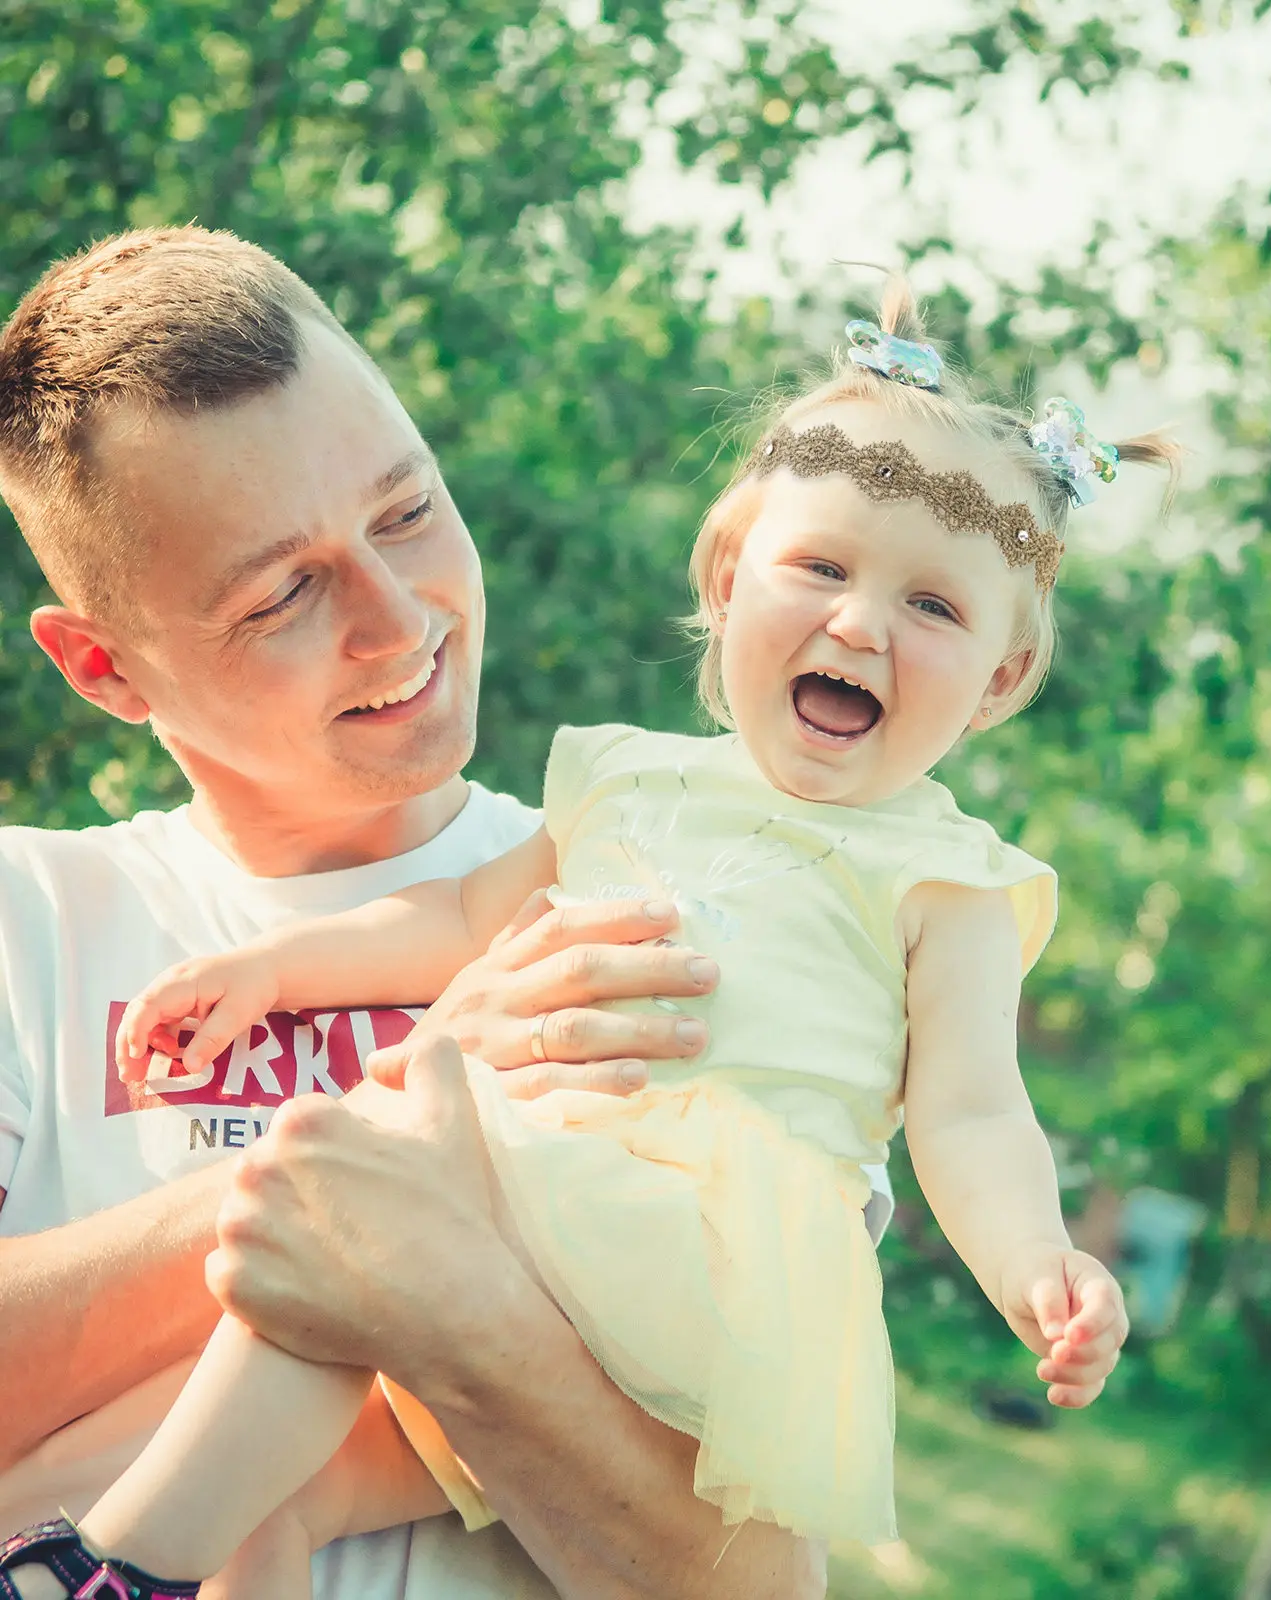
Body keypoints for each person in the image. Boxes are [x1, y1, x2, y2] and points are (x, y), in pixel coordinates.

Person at [1, 287, 1152, 1598]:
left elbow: (972, 1113)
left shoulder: (947, 883)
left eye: (407, 512)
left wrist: (1037, 1266)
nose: (860, 625)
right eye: (284, 592)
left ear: (1001, 679)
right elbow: (449, 925)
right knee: (287, 1461)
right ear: (730, 581)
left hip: (690, 1260)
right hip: (537, 1200)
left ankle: (104, 1556)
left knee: (328, 1293)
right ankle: (120, 1563)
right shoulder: (622, 795)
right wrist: (282, 992)